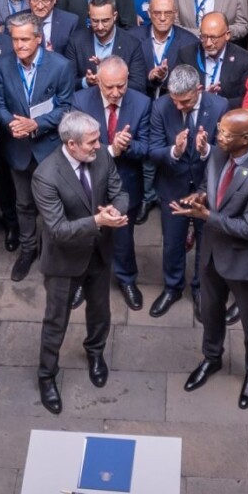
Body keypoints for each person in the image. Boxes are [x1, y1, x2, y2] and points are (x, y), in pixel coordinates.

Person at [178, 108, 248, 410]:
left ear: (245, 139)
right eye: (220, 130)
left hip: (242, 259)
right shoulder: (220, 154)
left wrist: (208, 215)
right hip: (211, 253)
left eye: (225, 133)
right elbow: (212, 186)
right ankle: (212, 358)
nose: (217, 136)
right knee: (210, 312)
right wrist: (200, 197)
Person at [32, 110, 130, 415]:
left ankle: (95, 353)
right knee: (55, 321)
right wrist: (97, 221)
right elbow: (58, 230)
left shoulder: (101, 157)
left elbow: (119, 191)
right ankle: (47, 375)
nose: (99, 146)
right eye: (91, 142)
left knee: (100, 311)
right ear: (71, 145)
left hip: (99, 255)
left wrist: (115, 211)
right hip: (64, 261)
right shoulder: (46, 176)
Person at [0, 12, 75, 282]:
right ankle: (28, 250)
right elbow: (0, 105)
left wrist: (36, 124)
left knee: (55, 205)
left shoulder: (60, 66)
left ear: (39, 38)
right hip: (18, 149)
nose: (20, 45)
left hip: (49, 148)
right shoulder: (2, 65)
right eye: (15, 40)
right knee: (24, 204)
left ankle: (55, 254)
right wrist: (12, 125)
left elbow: (66, 108)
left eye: (26, 39)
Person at [147, 64, 228, 318]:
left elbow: (226, 153)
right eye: (175, 101)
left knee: (206, 243)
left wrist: (205, 150)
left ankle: (201, 289)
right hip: (173, 186)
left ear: (199, 90)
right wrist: (175, 151)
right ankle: (172, 287)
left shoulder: (220, 106)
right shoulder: (161, 107)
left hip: (207, 187)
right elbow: (153, 150)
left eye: (185, 101)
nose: (179, 106)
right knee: (172, 242)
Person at [72, 55, 152, 310]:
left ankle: (127, 279)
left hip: (125, 183)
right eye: (110, 87)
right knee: (87, 235)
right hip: (89, 183)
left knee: (123, 236)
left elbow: (149, 148)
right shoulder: (81, 101)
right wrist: (111, 150)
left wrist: (128, 146)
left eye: (121, 85)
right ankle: (83, 281)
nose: (116, 92)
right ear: (97, 82)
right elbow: (74, 148)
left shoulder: (142, 103)